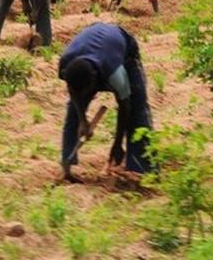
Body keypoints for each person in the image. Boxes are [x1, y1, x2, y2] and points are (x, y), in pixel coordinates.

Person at [58, 23, 153, 182]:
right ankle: (67, 166)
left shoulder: (114, 72)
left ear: (94, 81)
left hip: (123, 49)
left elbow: (125, 105)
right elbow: (74, 92)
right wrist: (82, 120)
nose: (83, 95)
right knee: (73, 111)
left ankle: (142, 170)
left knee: (137, 109)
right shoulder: (66, 66)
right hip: (92, 48)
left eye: (86, 92)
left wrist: (117, 144)